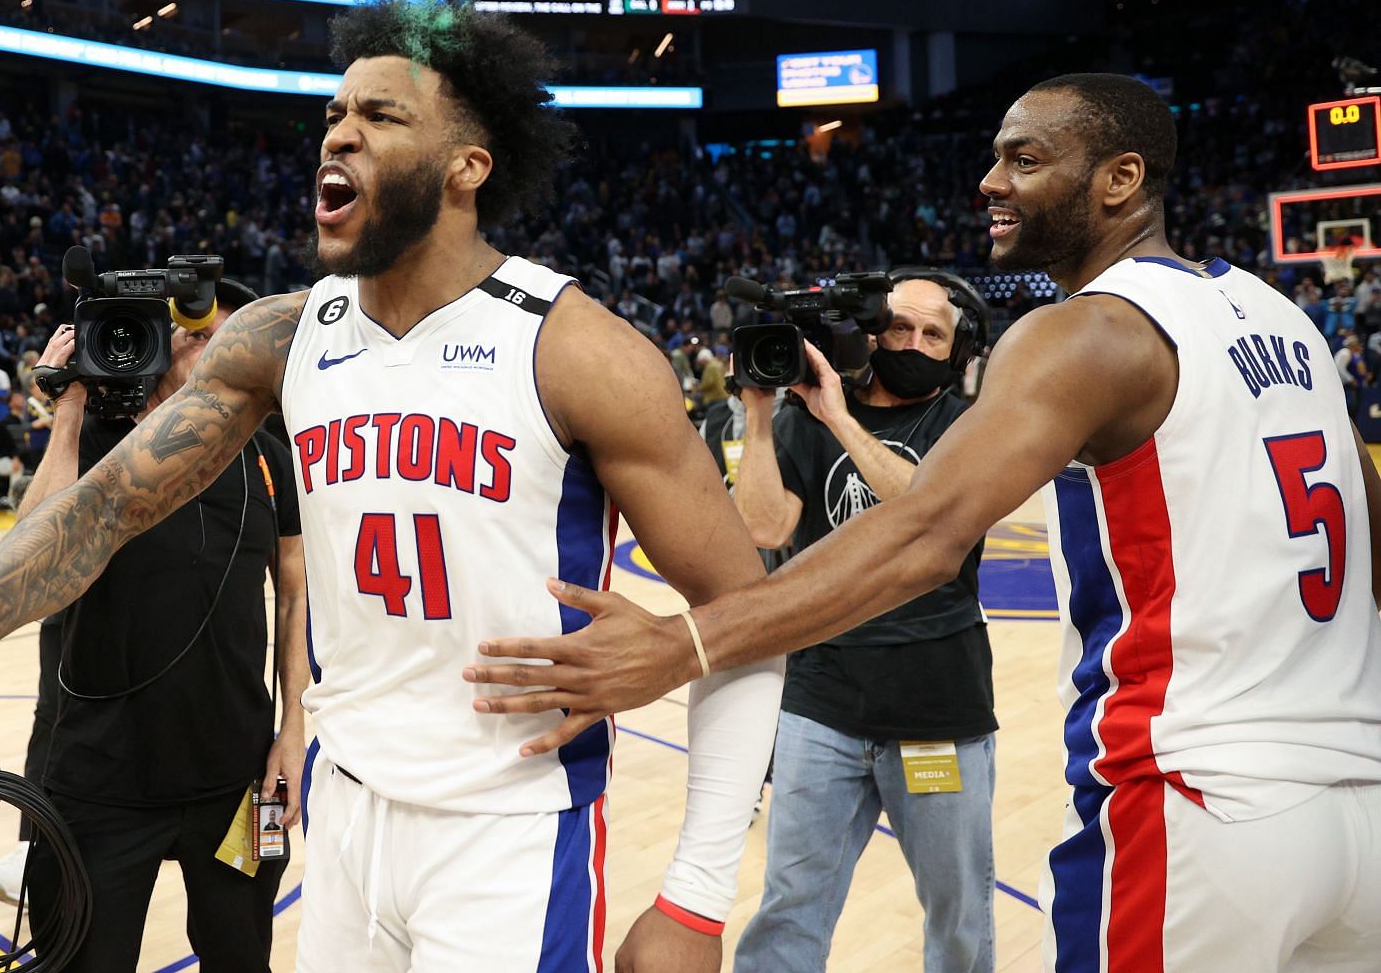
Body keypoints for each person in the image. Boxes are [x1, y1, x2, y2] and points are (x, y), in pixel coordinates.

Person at [0, 0, 786, 973]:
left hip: (508, 828)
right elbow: (105, 503)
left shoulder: (578, 350)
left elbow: (746, 617)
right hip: (347, 816)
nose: (338, 135)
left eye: (380, 115)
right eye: (333, 115)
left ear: (467, 165)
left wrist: (698, 900)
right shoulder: (280, 337)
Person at [465, 73, 1381, 970]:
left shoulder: (1090, 331)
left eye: (1024, 159)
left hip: (1201, 802)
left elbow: (922, 535)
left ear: (1121, 180)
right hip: (1358, 802)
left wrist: (685, 645)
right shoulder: (1283, 316)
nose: (989, 182)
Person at [0, 298, 306, 972]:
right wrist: (68, 408)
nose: (202, 342)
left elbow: (298, 589)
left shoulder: (270, 453)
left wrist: (293, 729)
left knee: (242, 958)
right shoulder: (96, 441)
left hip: (233, 775)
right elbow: (36, 554)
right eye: (183, 332)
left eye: (216, 331)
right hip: (99, 779)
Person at [727, 273, 996, 972]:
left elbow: (934, 515)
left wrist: (840, 419)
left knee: (957, 910)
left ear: (957, 347)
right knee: (789, 902)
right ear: (872, 329)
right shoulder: (800, 418)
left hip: (934, 710)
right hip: (821, 703)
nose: (912, 343)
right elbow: (762, 523)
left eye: (932, 334)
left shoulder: (967, 425)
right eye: (899, 327)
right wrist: (760, 415)